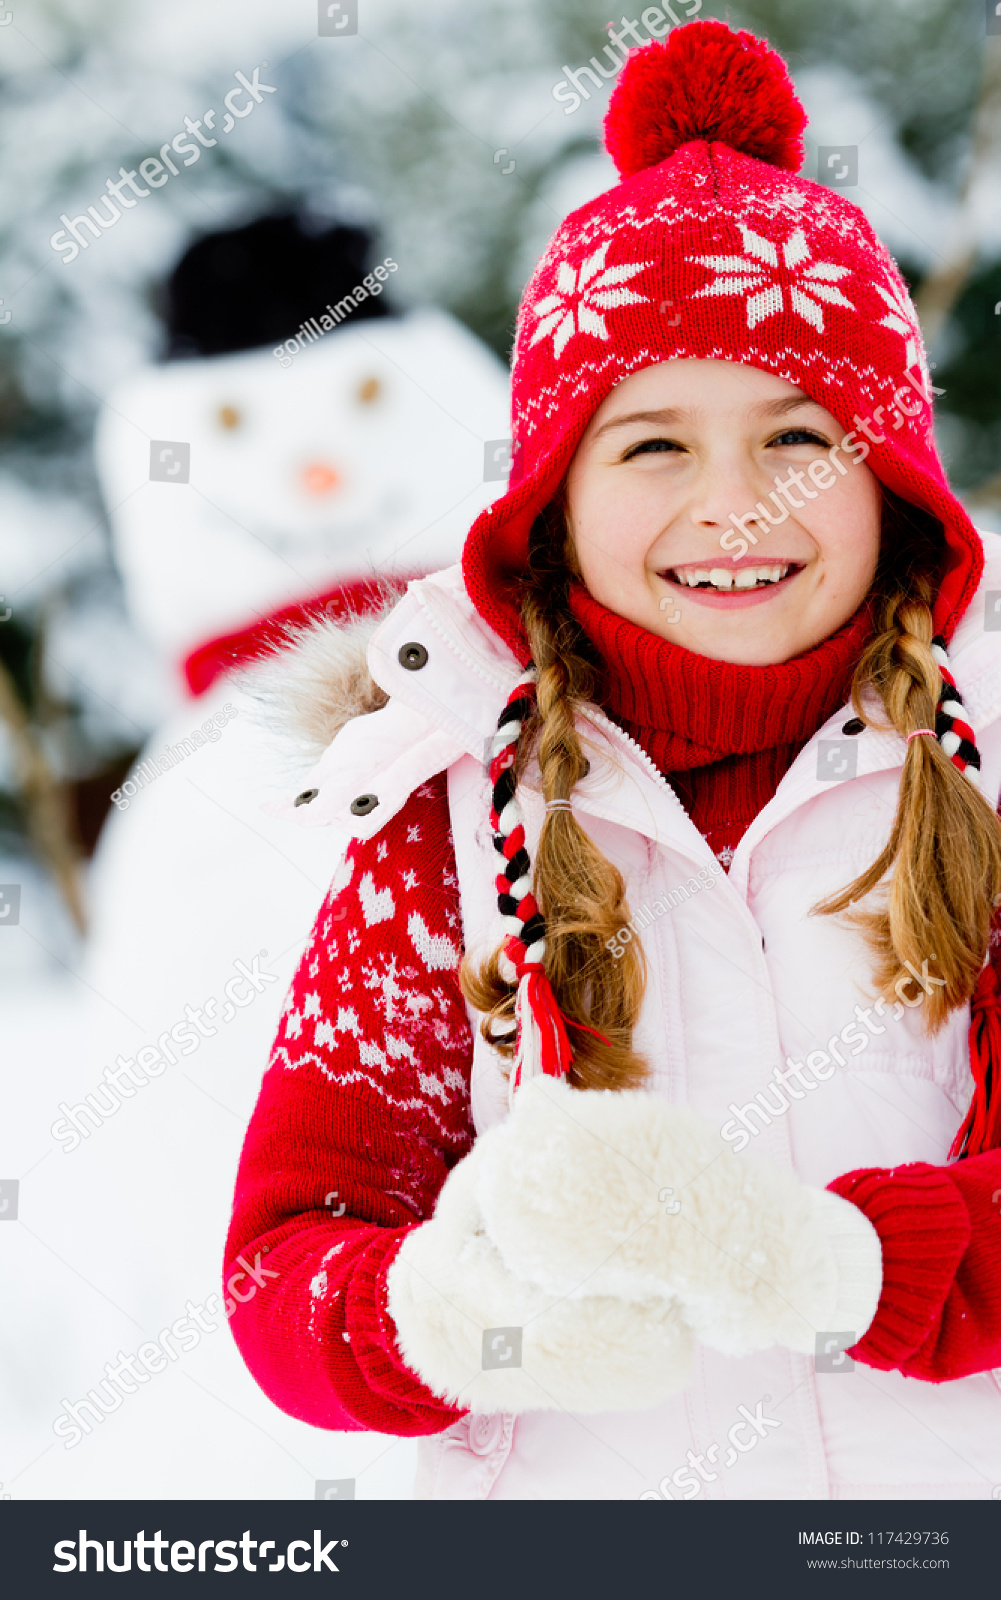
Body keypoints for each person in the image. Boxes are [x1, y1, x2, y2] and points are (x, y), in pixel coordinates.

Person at [223, 19, 1001, 1500]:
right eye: (650, 446)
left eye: (799, 440)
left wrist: (832, 1265)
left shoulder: (982, 778)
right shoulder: (444, 819)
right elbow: (283, 1267)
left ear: (892, 483)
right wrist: (442, 1313)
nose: (734, 507)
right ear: (552, 505)